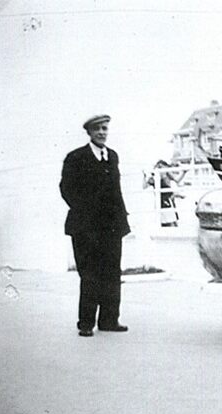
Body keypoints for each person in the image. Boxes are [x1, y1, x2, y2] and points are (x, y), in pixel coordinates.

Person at [60, 115, 130, 337]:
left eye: (104, 128)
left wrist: (122, 220)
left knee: (112, 273)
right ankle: (86, 323)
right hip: (85, 228)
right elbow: (66, 189)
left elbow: (116, 191)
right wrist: (86, 212)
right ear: (89, 132)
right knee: (90, 274)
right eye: (97, 129)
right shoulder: (76, 157)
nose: (101, 132)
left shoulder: (112, 156)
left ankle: (109, 320)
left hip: (111, 227)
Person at [145, 160, 186, 227]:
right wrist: (145, 176)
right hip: (163, 202)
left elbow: (177, 180)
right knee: (167, 222)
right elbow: (145, 186)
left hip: (169, 201)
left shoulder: (167, 174)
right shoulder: (155, 177)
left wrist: (184, 172)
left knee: (174, 222)